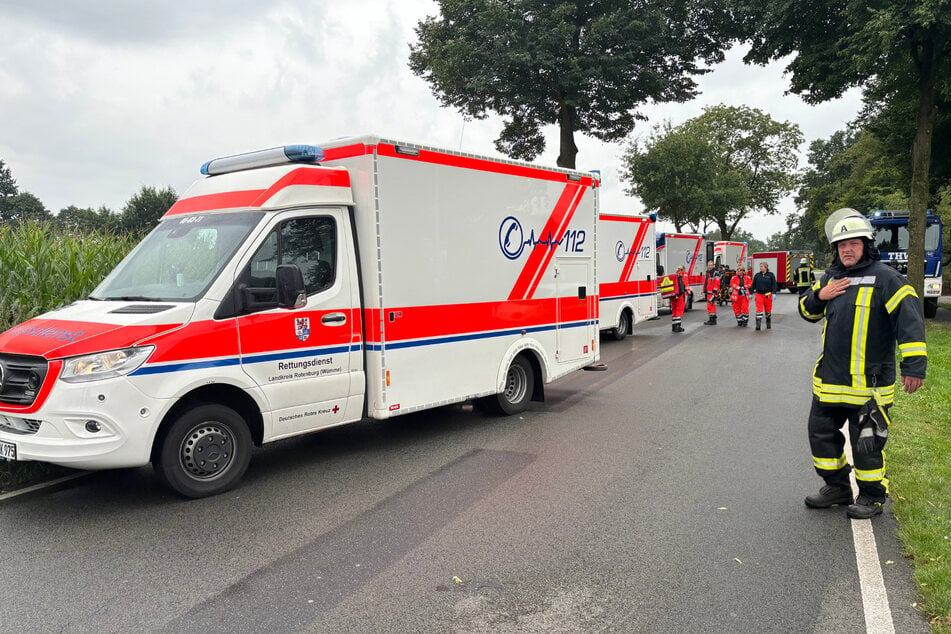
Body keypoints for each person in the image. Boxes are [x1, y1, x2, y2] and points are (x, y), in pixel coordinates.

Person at [799, 208, 927, 519]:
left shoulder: (889, 280)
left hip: (868, 387)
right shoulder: (830, 278)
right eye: (842, 245)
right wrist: (821, 295)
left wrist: (913, 367)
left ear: (867, 245)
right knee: (820, 436)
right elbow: (807, 311)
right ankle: (838, 487)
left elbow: (910, 324)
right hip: (829, 382)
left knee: (867, 445)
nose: (847, 250)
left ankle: (872, 496)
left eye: (853, 244)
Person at [751, 261, 778, 330]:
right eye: (760, 266)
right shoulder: (757, 275)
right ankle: (758, 326)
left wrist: (774, 293)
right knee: (759, 310)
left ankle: (768, 323)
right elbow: (753, 285)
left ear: (765, 267)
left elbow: (774, 284)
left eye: (761, 266)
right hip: (759, 295)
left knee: (768, 310)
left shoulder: (771, 275)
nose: (760, 268)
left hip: (768, 295)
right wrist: (751, 293)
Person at [670, 265, 687, 333]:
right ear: (683, 269)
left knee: (674, 310)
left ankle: (674, 326)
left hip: (674, 296)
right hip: (680, 295)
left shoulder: (675, 275)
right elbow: (686, 284)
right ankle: (678, 327)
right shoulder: (683, 275)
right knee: (679, 310)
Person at [702, 260, 720, 325]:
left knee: (710, 306)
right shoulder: (708, 272)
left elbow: (717, 282)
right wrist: (704, 290)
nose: (709, 266)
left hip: (713, 292)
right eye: (708, 265)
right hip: (709, 292)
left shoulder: (715, 273)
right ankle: (712, 319)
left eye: (711, 265)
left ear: (713, 265)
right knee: (711, 306)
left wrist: (715, 291)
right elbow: (706, 282)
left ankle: (712, 320)